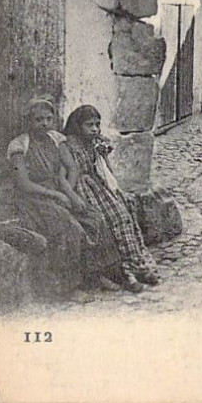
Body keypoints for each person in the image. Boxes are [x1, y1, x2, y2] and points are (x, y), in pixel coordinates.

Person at [7, 96, 119, 300]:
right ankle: (69, 287)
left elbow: (72, 168)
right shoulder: (18, 146)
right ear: (29, 121)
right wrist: (57, 194)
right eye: (39, 119)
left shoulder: (57, 139)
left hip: (60, 190)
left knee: (95, 218)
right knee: (70, 228)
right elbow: (24, 184)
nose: (44, 124)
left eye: (48, 119)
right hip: (35, 198)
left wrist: (69, 191)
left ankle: (96, 275)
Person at [63, 105, 159, 292]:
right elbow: (68, 175)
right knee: (110, 222)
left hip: (99, 186)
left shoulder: (94, 143)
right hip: (83, 190)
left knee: (126, 214)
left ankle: (138, 264)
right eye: (89, 125)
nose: (94, 129)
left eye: (97, 125)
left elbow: (106, 169)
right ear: (77, 125)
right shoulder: (68, 145)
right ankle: (124, 273)